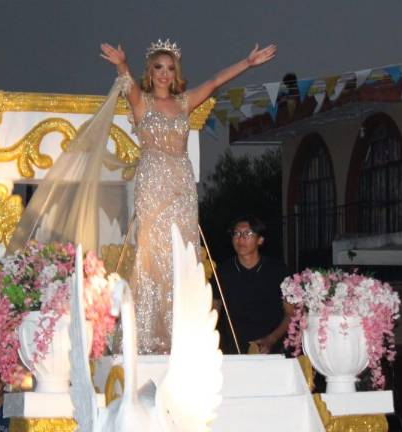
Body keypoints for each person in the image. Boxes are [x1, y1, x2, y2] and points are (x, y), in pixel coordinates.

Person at [100, 40, 276, 354]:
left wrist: (247, 63)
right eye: (158, 68)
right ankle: (148, 335)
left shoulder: (184, 102)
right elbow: (127, 84)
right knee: (152, 255)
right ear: (150, 73)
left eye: (170, 68)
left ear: (175, 73)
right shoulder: (142, 102)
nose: (165, 74)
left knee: (182, 252)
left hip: (181, 185)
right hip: (154, 184)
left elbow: (214, 82)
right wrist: (121, 64)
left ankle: (181, 332)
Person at [212, 215, 293, 354]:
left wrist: (271, 339)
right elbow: (213, 311)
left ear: (260, 240)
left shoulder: (278, 270)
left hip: (272, 350)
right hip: (233, 351)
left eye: (248, 233)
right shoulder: (222, 272)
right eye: (236, 233)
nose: (241, 238)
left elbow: (291, 313)